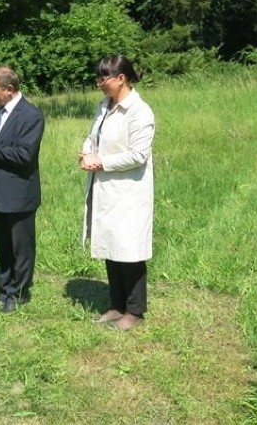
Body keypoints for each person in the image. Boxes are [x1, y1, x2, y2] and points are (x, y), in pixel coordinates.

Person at [79, 54, 155, 331]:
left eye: (103, 78)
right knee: (111, 244)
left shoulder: (139, 112)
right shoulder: (104, 106)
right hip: (106, 188)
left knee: (130, 249)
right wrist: (87, 151)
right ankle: (117, 304)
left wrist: (100, 162)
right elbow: (93, 135)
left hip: (129, 191)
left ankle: (134, 310)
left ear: (121, 78)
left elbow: (138, 155)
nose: (99, 83)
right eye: (98, 78)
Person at [0, 67, 45, 314]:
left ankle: (20, 293)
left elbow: (25, 155)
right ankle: (6, 289)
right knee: (3, 246)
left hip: (20, 194)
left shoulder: (31, 116)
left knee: (20, 248)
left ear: (9, 90)